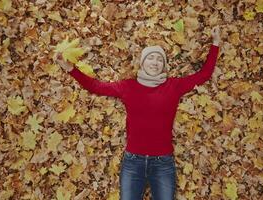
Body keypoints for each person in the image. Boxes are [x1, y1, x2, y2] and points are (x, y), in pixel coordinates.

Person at [55, 26, 220, 200]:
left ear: (163, 66)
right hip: (133, 162)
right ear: (143, 62)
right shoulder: (128, 87)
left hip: (163, 162)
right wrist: (70, 68)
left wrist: (215, 44)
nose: (155, 63)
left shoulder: (174, 86)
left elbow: (203, 75)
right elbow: (95, 86)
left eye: (159, 60)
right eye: (151, 58)